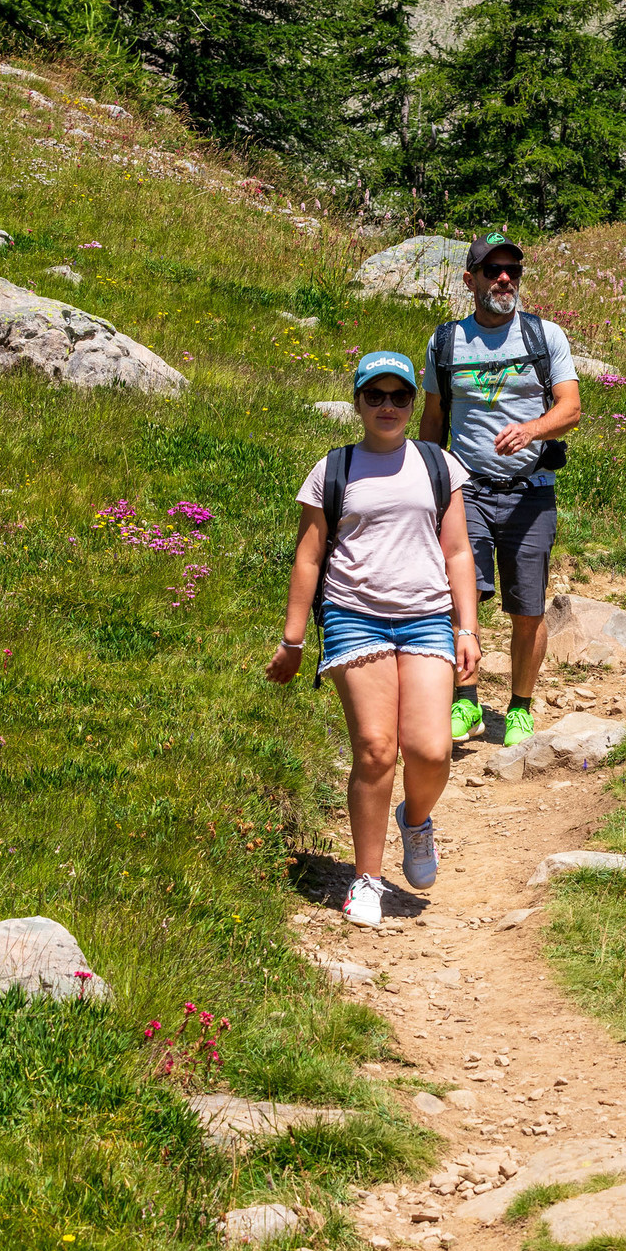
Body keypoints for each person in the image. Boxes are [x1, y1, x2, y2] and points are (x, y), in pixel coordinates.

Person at [268, 351, 480, 928]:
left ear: (415, 401)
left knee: (432, 750)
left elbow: (458, 551)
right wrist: (292, 639)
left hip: (427, 616)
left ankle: (415, 821)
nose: (388, 407)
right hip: (354, 615)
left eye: (400, 396)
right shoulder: (332, 469)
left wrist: (468, 628)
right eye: (375, 396)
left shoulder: (438, 464)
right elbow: (309, 556)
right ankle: (366, 880)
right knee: (375, 748)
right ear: (358, 401)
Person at [420, 230, 580, 748]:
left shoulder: (544, 336)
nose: (505, 278)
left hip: (531, 490)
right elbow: (433, 420)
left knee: (527, 605)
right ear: (470, 279)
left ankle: (519, 708)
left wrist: (532, 429)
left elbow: (570, 408)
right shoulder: (445, 341)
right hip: (465, 491)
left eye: (513, 269)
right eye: (493, 270)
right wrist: (429, 483)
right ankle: (464, 701)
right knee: (458, 599)